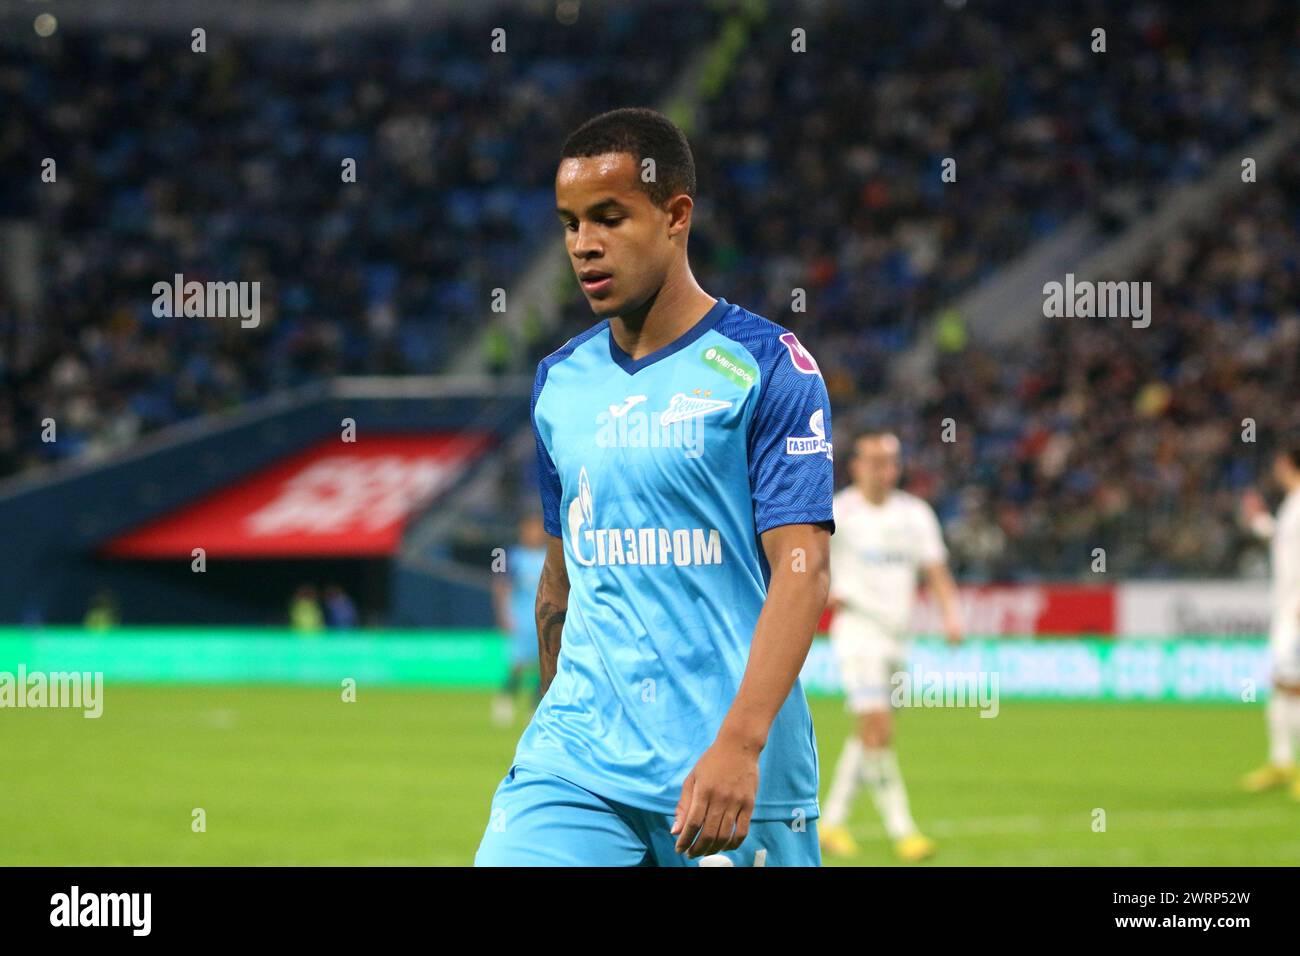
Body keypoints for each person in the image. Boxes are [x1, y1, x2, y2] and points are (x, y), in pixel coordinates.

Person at [475, 107, 835, 866]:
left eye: (609, 217)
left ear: (676, 216)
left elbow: (802, 573)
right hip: (574, 766)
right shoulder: (559, 383)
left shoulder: (766, 367)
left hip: (728, 777)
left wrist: (740, 744)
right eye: (571, 223)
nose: (583, 245)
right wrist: (545, 736)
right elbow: (559, 583)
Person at [819, 431, 964, 861]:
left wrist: (951, 615)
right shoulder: (838, 510)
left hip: (898, 637)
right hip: (858, 631)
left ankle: (831, 822)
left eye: (891, 461)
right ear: (857, 465)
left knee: (869, 735)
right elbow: (807, 556)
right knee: (879, 730)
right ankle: (904, 831)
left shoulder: (915, 514)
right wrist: (823, 587)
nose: (885, 469)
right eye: (875, 461)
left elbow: (935, 570)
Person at [1240, 443, 1300, 800]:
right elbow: (1286, 545)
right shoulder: (1292, 505)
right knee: (1280, 686)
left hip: (1297, 613)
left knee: (1292, 688)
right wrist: (1261, 522)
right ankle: (1281, 760)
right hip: (1286, 612)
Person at [490, 514, 548, 725]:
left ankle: (535, 705)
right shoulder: (510, 555)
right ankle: (505, 698)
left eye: (537, 529)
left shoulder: (551, 554)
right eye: (529, 529)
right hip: (521, 616)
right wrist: (503, 614)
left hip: (544, 617)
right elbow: (500, 585)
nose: (533, 534)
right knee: (518, 663)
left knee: (545, 663)